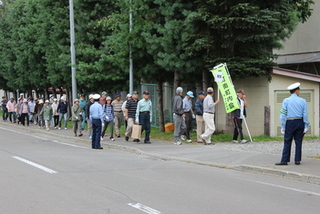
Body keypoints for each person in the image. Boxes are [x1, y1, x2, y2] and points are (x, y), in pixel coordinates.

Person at [275, 82, 309, 166]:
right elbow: (305, 114)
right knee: (298, 141)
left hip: (289, 122)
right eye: (299, 90)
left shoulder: (286, 101)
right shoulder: (303, 101)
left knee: (287, 141)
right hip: (299, 121)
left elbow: (283, 114)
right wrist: (306, 125)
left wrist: (283, 125)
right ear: (297, 91)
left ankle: (284, 160)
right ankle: (297, 160)